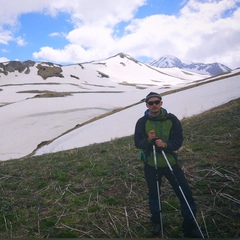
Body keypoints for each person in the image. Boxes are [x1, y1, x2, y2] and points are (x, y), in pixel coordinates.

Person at [134, 92, 202, 238]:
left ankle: (189, 225)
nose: (154, 105)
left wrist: (165, 144)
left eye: (156, 102)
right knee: (154, 194)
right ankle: (156, 222)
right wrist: (149, 141)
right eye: (150, 103)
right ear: (146, 105)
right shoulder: (142, 122)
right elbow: (137, 142)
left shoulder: (172, 120)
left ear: (161, 103)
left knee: (184, 193)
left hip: (170, 163)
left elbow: (178, 141)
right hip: (151, 164)